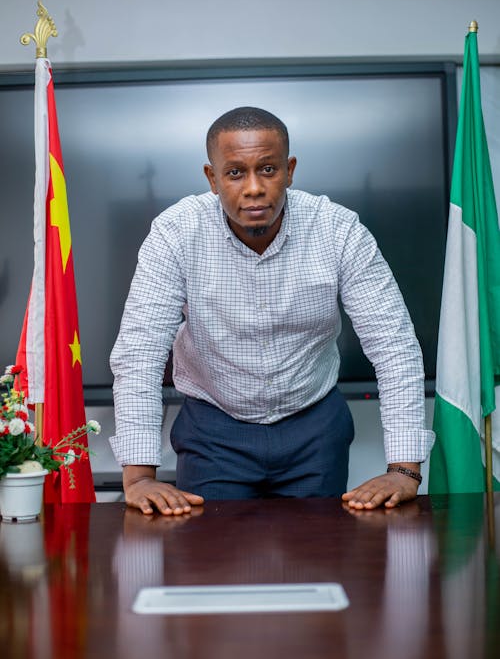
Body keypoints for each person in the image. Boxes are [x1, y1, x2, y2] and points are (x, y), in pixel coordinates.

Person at [110, 106, 434, 515]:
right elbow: (140, 354)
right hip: (213, 428)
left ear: (290, 170)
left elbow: (394, 346)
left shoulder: (338, 230)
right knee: (209, 566)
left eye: (267, 169)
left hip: (314, 425)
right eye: (234, 173)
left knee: (318, 562)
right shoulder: (175, 234)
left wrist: (405, 470)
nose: (253, 188)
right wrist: (138, 477)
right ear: (212, 178)